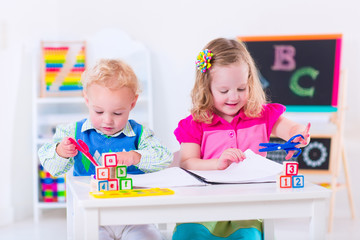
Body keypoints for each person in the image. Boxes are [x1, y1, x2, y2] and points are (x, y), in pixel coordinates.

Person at [173, 38, 310, 240]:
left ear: (250, 84)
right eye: (223, 90)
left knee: (249, 236)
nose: (233, 97)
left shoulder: (262, 115)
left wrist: (298, 134)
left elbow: (291, 129)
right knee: (188, 234)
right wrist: (218, 163)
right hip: (203, 207)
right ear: (207, 87)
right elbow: (187, 162)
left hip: (247, 208)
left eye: (241, 89)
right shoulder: (196, 123)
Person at [39, 59, 172, 240]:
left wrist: (135, 157)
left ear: (132, 104)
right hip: (92, 218)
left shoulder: (140, 134)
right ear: (87, 100)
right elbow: (51, 166)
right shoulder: (72, 132)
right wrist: (61, 151)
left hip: (135, 218)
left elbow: (164, 158)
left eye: (117, 113)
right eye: (99, 112)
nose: (108, 120)